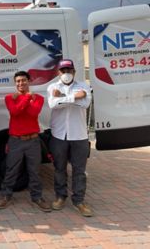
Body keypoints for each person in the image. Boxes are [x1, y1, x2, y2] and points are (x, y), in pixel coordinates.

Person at [0, 71, 52, 212]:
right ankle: (6, 196)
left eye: (24, 80)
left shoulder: (38, 98)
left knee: (34, 171)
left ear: (29, 81)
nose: (21, 83)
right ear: (15, 83)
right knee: (11, 169)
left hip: (33, 140)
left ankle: (37, 197)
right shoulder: (9, 98)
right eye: (18, 81)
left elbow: (33, 113)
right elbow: (15, 112)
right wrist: (27, 98)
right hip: (16, 140)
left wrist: (23, 99)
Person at [47, 58, 93, 217]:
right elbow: (53, 105)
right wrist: (75, 97)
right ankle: (60, 197)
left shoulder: (84, 86)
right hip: (59, 135)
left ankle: (79, 201)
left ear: (74, 71)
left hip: (79, 135)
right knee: (59, 169)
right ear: (58, 72)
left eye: (69, 70)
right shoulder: (52, 87)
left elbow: (85, 104)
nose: (66, 73)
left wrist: (63, 98)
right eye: (63, 71)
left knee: (79, 171)